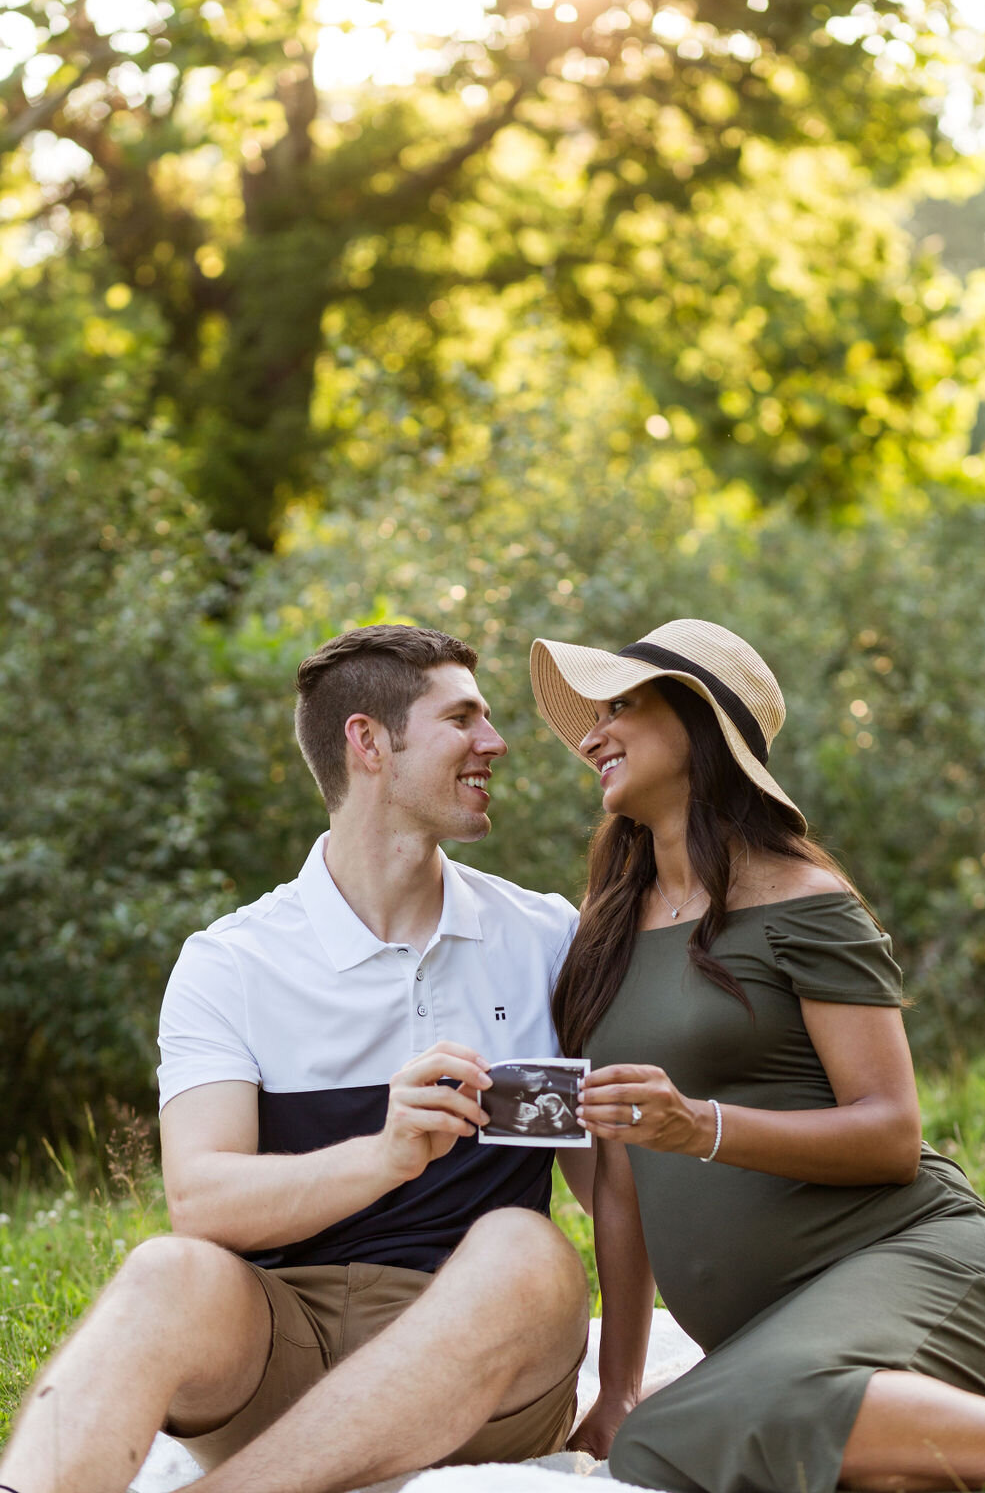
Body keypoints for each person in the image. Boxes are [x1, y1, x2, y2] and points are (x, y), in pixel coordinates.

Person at [1, 625, 591, 1493]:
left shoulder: (543, 938)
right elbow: (201, 1202)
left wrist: (617, 1386)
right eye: (463, 718)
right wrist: (383, 1157)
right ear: (368, 743)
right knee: (166, 1270)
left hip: (478, 1375)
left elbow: (610, 1182)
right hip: (281, 1348)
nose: (495, 743)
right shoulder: (233, 961)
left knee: (527, 1247)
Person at [529, 617, 985, 1493]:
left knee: (744, 1415)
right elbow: (619, 1180)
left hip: (908, 1259)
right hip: (769, 1338)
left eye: (621, 707)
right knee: (656, 1445)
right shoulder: (607, 929)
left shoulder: (806, 902)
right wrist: (619, 1387)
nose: (592, 735)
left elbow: (891, 1135)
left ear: (699, 721)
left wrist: (701, 1127)